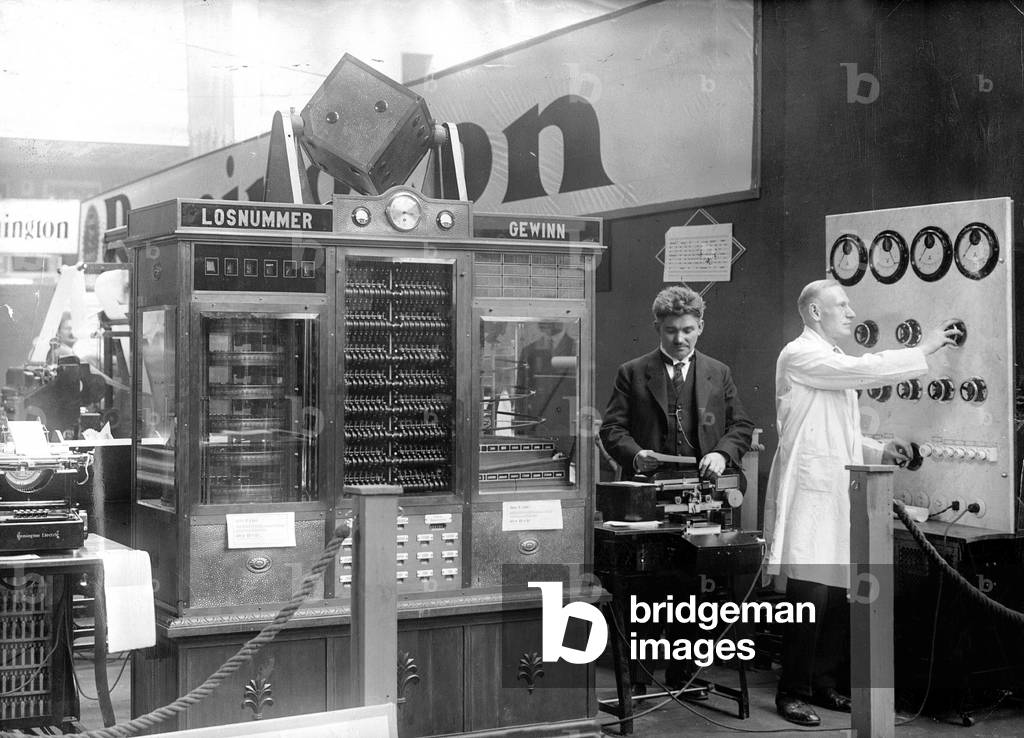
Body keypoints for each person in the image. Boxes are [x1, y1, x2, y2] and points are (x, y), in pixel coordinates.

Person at [764, 279, 961, 726]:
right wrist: (925, 348)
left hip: (838, 486)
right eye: (842, 305)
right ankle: (791, 692)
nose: (851, 313)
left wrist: (877, 451)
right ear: (815, 313)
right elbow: (865, 371)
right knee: (810, 593)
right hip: (813, 491)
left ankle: (823, 683)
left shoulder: (829, 360)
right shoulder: (800, 354)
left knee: (838, 593)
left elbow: (839, 433)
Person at [599, 284, 754, 692]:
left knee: (696, 590)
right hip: (648, 499)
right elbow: (611, 428)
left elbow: (740, 425)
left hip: (702, 500)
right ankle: (640, 679)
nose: (680, 339)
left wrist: (721, 453)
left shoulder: (718, 372)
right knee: (645, 590)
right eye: (671, 331)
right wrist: (635, 455)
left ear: (700, 326)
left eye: (688, 330)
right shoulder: (633, 372)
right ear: (658, 328)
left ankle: (684, 674)